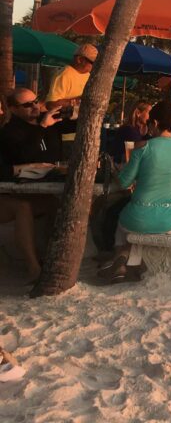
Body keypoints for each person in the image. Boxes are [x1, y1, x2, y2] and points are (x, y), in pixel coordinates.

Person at [102, 101, 171, 283]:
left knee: (125, 224)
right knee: (142, 223)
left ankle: (121, 258)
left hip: (137, 215)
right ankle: (127, 264)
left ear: (156, 123)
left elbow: (124, 182)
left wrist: (115, 171)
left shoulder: (142, 146)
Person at [0, 87, 63, 280]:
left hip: (27, 187)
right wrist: (41, 128)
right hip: (8, 196)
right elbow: (21, 156)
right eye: (27, 105)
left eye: (36, 101)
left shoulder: (42, 123)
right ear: (13, 108)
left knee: (53, 203)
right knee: (23, 207)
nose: (35, 106)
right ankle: (33, 267)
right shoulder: (9, 132)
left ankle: (48, 257)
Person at [45, 42, 97, 113]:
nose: (95, 66)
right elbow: (50, 105)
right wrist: (77, 101)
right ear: (80, 59)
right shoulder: (64, 75)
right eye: (93, 63)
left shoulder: (88, 75)